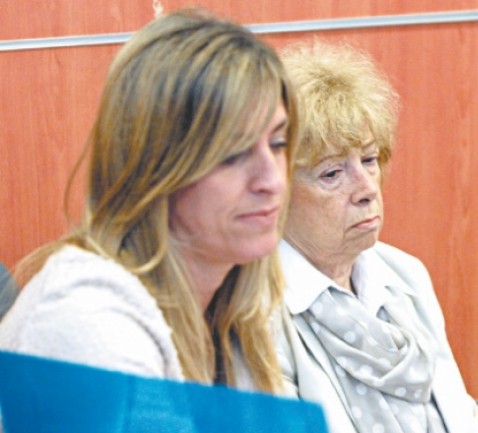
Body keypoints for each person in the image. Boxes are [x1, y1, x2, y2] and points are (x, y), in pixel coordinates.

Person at [0, 8, 298, 393]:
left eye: (278, 143)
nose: (272, 180)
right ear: (155, 168)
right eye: (233, 153)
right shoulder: (87, 320)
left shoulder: (236, 307)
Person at [276, 41, 478, 433]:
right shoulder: (251, 316)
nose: (367, 188)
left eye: (369, 160)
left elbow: (461, 417)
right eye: (331, 173)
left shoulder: (405, 275)